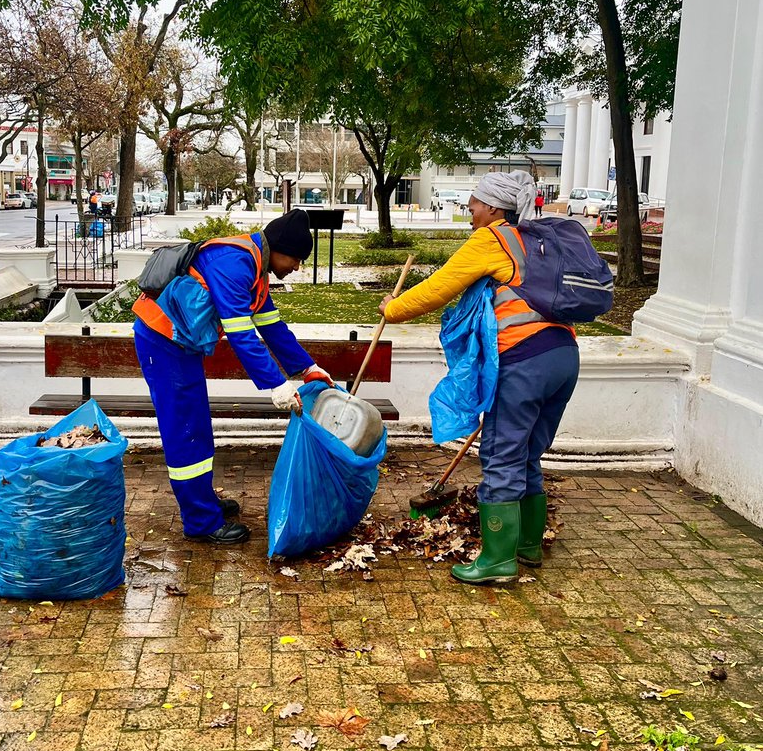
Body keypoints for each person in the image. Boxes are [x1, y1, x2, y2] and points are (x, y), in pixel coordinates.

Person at [380, 169, 579, 585]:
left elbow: (440, 287)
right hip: (563, 356)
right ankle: (526, 546)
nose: (469, 209)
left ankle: (496, 562)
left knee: (502, 456)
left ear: (492, 207)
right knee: (526, 453)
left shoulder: (494, 238)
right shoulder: (536, 240)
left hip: (524, 358)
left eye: (473, 202)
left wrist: (392, 309)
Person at [132, 209, 333, 545]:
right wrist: (276, 385)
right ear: (280, 248)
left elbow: (272, 328)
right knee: (186, 431)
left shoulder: (255, 269)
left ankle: (204, 502)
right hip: (162, 342)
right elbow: (242, 333)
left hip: (178, 345)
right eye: (296, 259)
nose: (296, 267)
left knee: (196, 427)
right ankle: (201, 522)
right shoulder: (234, 264)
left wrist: (307, 368)